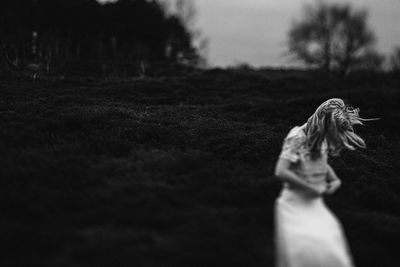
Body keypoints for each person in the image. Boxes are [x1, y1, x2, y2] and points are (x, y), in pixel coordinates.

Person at [274, 98, 369, 267]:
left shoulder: (321, 135)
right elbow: (281, 171)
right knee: (305, 251)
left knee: (332, 243)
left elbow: (320, 162)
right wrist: (310, 187)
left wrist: (335, 180)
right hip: (294, 203)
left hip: (315, 203)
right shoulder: (297, 137)